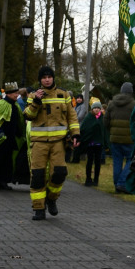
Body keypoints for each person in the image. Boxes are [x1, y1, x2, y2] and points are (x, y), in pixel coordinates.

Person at [24, 66, 79, 220]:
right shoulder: (33, 95)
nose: (47, 79)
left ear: (53, 78)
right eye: (43, 77)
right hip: (39, 142)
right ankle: (39, 208)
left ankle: (52, 199)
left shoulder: (64, 95)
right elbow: (28, 116)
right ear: (40, 80)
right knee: (38, 176)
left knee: (60, 173)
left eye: (49, 77)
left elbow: (72, 117)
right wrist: (36, 101)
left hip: (59, 142)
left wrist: (76, 134)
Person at [106, 82, 135, 193]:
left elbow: (105, 121)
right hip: (129, 139)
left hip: (114, 139)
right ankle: (121, 183)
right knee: (131, 160)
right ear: (131, 92)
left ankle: (117, 185)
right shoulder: (134, 105)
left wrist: (112, 131)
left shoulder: (112, 104)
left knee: (117, 161)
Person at [79, 98, 109, 186]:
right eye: (95, 108)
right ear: (92, 109)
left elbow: (104, 131)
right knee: (89, 161)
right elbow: (84, 128)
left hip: (99, 144)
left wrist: (106, 143)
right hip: (90, 143)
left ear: (100, 109)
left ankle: (96, 180)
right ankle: (88, 179)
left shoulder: (102, 118)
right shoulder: (88, 117)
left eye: (98, 108)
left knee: (98, 162)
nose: (96, 109)